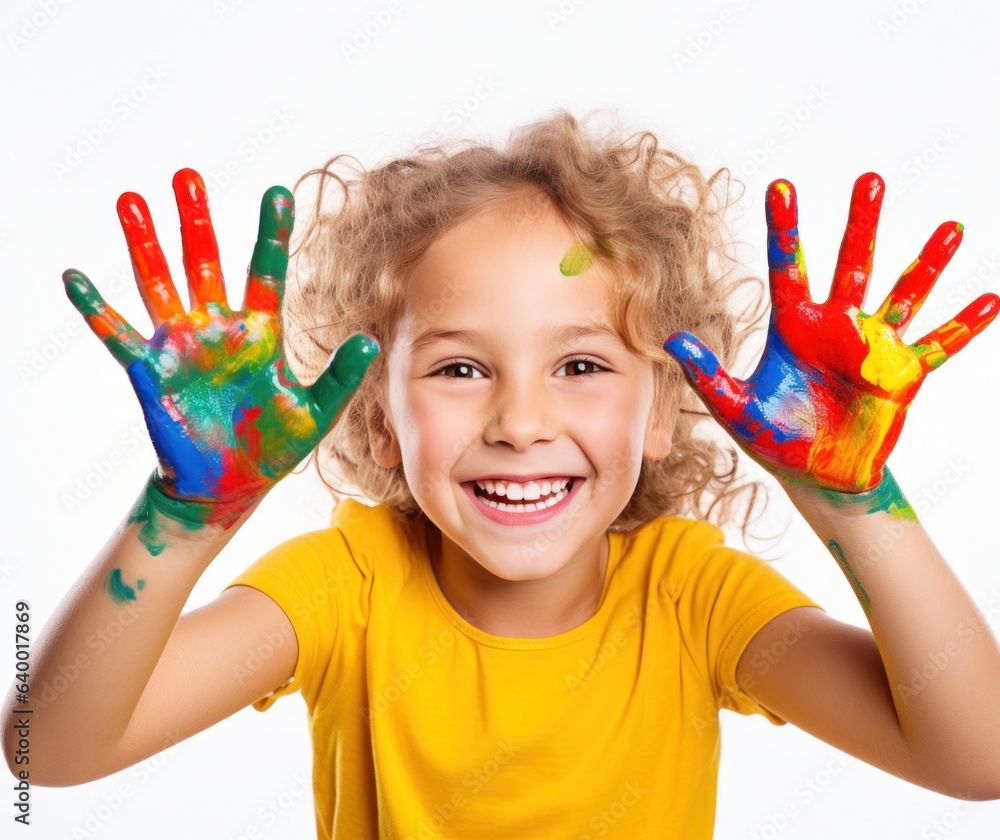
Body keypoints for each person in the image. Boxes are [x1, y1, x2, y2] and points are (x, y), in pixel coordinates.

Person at [5, 111, 1000, 839]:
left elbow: (978, 758)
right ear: (379, 415)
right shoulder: (349, 588)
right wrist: (185, 515)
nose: (520, 423)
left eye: (579, 366)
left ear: (661, 409)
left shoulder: (690, 596)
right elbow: (47, 752)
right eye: (458, 368)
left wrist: (850, 501)